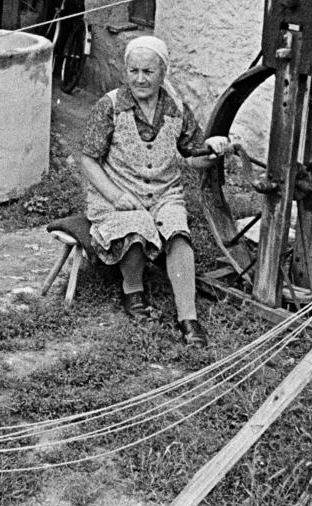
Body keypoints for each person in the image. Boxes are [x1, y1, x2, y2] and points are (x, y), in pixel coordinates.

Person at [78, 36, 231, 346]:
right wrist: (116, 196)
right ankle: (132, 292)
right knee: (136, 226)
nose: (139, 79)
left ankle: (188, 319)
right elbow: (88, 159)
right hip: (119, 192)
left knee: (178, 232)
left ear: (163, 72)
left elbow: (193, 157)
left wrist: (212, 151)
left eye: (148, 72)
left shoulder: (176, 109)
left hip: (164, 192)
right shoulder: (110, 106)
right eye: (133, 71)